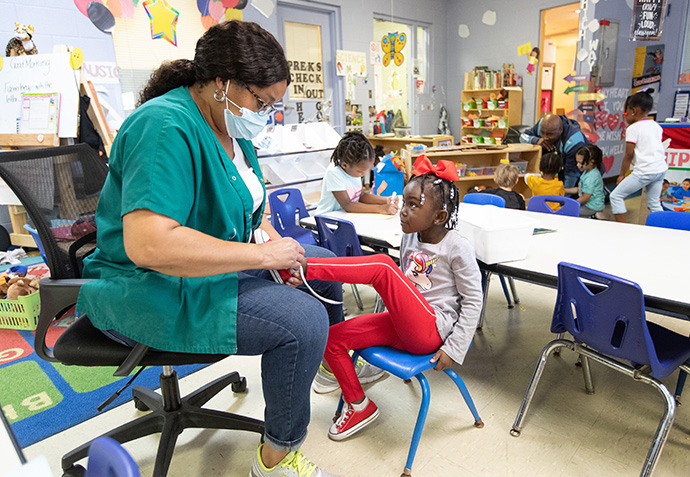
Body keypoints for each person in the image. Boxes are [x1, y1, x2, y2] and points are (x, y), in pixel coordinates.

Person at [75, 21, 340, 477]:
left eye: (273, 105)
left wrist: (281, 250)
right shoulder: (162, 126)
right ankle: (275, 458)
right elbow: (149, 245)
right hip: (151, 288)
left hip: (204, 273)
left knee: (327, 265)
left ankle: (324, 368)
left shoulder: (232, 132)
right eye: (262, 101)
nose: (266, 114)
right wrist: (264, 258)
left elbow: (251, 217)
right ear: (223, 83)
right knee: (303, 321)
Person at [303, 155, 483, 441]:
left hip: (432, 330)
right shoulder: (411, 236)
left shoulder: (456, 246)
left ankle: (305, 268)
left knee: (383, 267)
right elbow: (406, 279)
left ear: (439, 217)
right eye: (405, 201)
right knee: (331, 338)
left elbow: (474, 300)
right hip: (403, 324)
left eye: (413, 205)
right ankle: (359, 405)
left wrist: (454, 349)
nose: (403, 211)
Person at [610, 89, 668, 223]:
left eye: (626, 112)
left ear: (634, 111)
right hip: (660, 170)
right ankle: (665, 229)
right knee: (654, 203)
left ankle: (622, 229)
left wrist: (621, 175)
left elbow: (629, 154)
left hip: (645, 171)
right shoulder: (656, 126)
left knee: (616, 196)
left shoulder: (633, 128)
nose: (626, 117)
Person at [315, 131, 399, 215]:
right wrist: (382, 208)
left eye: (366, 170)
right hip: (326, 219)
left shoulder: (353, 169)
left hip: (344, 217)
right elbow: (347, 205)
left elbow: (361, 196)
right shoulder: (334, 173)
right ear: (344, 165)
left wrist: (386, 200)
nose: (363, 173)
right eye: (360, 171)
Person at [520, 113, 589, 191]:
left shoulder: (573, 141)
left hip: (583, 174)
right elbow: (522, 137)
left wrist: (563, 198)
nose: (545, 137)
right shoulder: (543, 124)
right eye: (542, 133)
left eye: (550, 134)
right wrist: (537, 140)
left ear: (560, 130)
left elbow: (571, 175)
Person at [564, 144, 605, 218]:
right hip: (587, 204)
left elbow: (586, 197)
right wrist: (564, 190)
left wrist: (572, 204)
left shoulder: (591, 177)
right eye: (577, 162)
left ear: (591, 162)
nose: (577, 165)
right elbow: (579, 190)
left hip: (592, 207)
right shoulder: (587, 172)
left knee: (568, 212)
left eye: (580, 163)